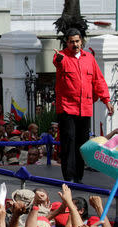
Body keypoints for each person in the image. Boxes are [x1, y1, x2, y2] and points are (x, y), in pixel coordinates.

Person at [53, 28, 114, 183]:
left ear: (81, 41)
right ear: (67, 43)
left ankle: (78, 177)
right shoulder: (62, 56)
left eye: (77, 41)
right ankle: (69, 177)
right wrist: (59, 59)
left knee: (82, 143)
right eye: (72, 41)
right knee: (69, 141)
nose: (75, 44)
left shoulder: (89, 58)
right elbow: (57, 62)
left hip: (85, 107)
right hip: (67, 107)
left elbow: (98, 81)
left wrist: (106, 100)